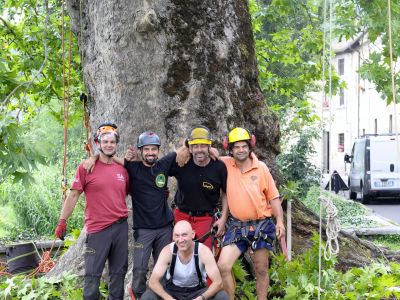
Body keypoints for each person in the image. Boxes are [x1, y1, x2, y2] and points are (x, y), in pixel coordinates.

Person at [84, 131, 176, 299]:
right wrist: (94, 157)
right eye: (146, 149)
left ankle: (162, 296)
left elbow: (187, 152)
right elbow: (111, 157)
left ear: (158, 150)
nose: (150, 153)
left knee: (165, 266)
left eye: (153, 149)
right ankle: (138, 295)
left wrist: (214, 153)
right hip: (143, 229)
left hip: (164, 227)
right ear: (140, 151)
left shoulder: (165, 164)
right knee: (139, 270)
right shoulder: (132, 168)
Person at [55, 122, 129, 300]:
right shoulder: (86, 167)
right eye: (105, 142)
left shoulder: (123, 170)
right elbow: (73, 196)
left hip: (121, 227)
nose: (109, 145)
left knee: (118, 274)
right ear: (98, 143)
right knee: (92, 276)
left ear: (116, 144)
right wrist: (62, 221)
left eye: (112, 142)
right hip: (97, 230)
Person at [216, 127, 285, 300]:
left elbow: (274, 197)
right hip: (237, 225)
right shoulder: (225, 164)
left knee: (261, 269)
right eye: (236, 147)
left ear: (250, 147)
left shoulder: (261, 168)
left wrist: (280, 221)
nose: (241, 150)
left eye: (244, 146)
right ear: (230, 149)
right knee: (223, 266)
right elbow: (210, 154)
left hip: (262, 224)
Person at [169, 126, 228, 250]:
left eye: (203, 146)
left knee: (204, 256)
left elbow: (225, 193)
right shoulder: (182, 163)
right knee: (178, 254)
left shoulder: (219, 167)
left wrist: (223, 218)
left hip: (205, 218)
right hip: (181, 216)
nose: (199, 150)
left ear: (209, 147)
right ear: (190, 148)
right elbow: (156, 169)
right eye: (195, 146)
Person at [141, 221, 229, 300]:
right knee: (148, 296)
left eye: (184, 235)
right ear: (173, 237)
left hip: (197, 292)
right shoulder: (168, 251)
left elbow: (218, 282)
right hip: (173, 291)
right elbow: (153, 282)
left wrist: (202, 298)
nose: (180, 240)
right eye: (177, 235)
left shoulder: (203, 251)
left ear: (193, 234)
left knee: (222, 296)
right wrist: (168, 298)